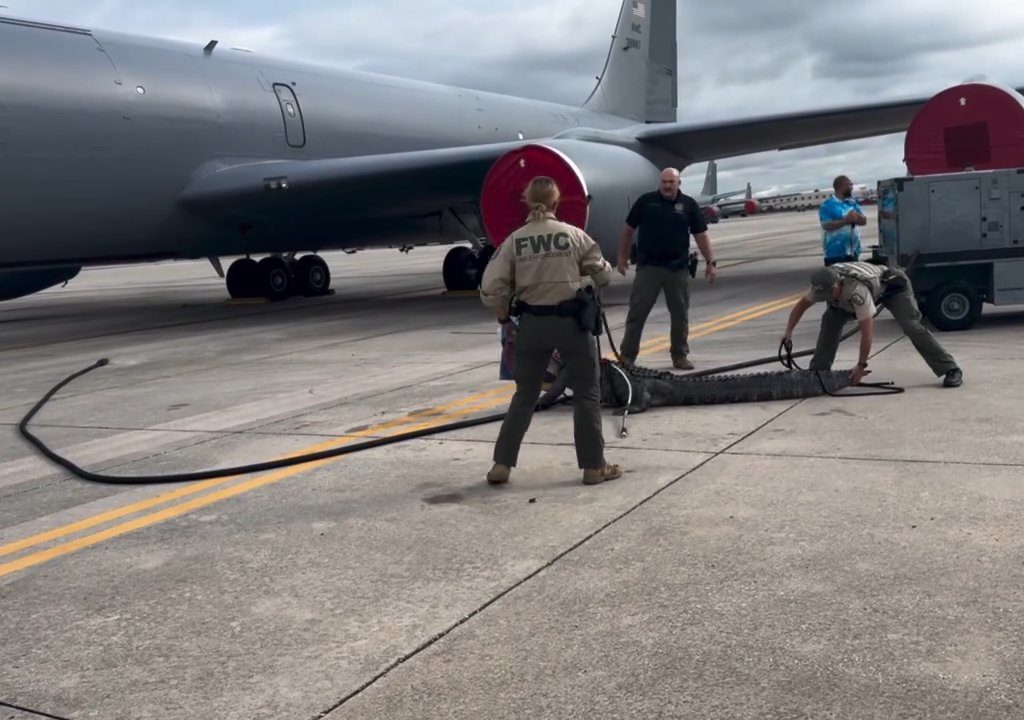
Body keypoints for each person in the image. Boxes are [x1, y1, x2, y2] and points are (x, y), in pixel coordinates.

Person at [479, 176, 622, 486]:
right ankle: (593, 467)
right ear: (557, 203)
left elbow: (492, 287)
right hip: (572, 324)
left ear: (527, 202)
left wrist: (504, 317)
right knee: (586, 392)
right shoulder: (575, 236)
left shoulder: (514, 241)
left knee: (525, 395)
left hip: (531, 325)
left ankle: (501, 465)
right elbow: (604, 275)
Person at [781, 261, 963, 388]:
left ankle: (950, 368)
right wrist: (788, 332)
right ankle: (819, 372)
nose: (826, 299)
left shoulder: (857, 291)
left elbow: (866, 333)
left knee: (911, 326)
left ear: (838, 284)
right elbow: (801, 305)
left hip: (892, 287)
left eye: (829, 294)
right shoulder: (823, 282)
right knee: (830, 319)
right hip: (853, 294)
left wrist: (860, 366)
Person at [616, 167, 717, 370]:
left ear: (679, 183)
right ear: (659, 183)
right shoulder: (646, 202)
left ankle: (679, 355)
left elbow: (701, 235)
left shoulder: (689, 205)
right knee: (637, 313)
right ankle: (627, 356)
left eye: (671, 182)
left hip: (677, 268)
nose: (667, 186)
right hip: (649, 268)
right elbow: (628, 230)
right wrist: (621, 256)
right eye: (664, 182)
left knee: (680, 315)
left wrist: (710, 262)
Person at [819, 175, 867, 265]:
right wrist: (845, 221)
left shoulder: (852, 203)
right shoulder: (828, 205)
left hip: (853, 252)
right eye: (850, 185)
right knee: (838, 278)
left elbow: (864, 221)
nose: (852, 187)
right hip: (834, 254)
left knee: (852, 278)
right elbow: (826, 225)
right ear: (841, 186)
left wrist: (858, 218)